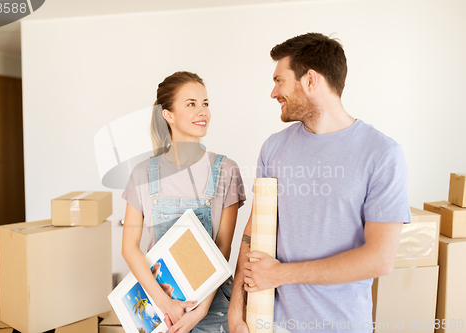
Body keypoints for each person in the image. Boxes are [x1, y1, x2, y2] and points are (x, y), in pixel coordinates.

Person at [228, 33, 411, 333]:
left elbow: (379, 259)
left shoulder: (382, 154)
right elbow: (252, 234)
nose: (273, 93)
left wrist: (281, 274)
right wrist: (237, 309)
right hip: (271, 325)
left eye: (279, 81)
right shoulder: (273, 149)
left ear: (310, 80)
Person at [122, 71, 246, 333]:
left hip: (213, 308)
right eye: (191, 104)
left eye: (205, 103)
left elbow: (223, 247)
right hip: (160, 311)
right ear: (168, 115)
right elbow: (129, 248)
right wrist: (165, 304)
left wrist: (198, 312)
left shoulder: (226, 170)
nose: (203, 112)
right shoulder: (142, 174)